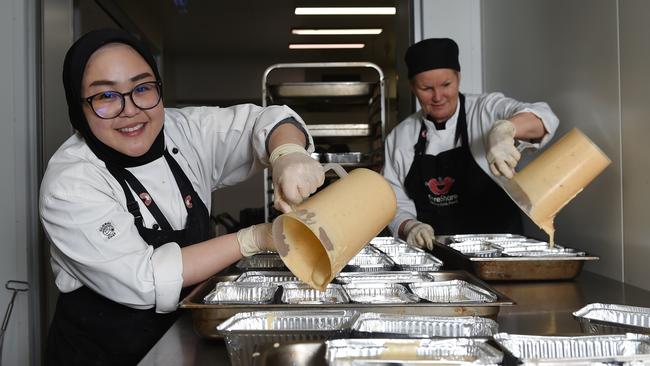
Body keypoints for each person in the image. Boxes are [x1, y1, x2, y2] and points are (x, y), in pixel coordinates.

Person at [39, 28, 324, 365]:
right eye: (105, 97)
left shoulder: (183, 130)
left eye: (142, 88)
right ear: (78, 106)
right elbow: (145, 280)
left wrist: (287, 152)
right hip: (100, 354)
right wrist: (254, 238)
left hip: (180, 343)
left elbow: (267, 121)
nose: (129, 110)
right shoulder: (70, 182)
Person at [383, 38, 559, 250]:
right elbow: (395, 204)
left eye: (446, 85)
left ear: (458, 78)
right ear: (413, 88)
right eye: (426, 88)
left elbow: (544, 118)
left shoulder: (484, 109)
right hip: (438, 255)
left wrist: (504, 130)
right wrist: (410, 226)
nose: (438, 96)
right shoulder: (400, 138)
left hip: (500, 254)